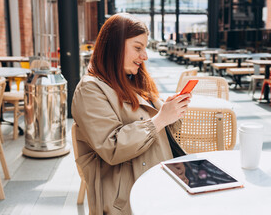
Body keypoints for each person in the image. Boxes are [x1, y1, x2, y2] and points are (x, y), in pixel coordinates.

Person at [71, 13, 191, 215]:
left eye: (144, 48)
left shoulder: (132, 80)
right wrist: (160, 119)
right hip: (128, 197)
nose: (144, 56)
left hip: (159, 180)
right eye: (137, 48)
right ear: (114, 46)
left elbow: (159, 130)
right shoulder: (90, 90)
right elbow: (112, 147)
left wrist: (171, 112)